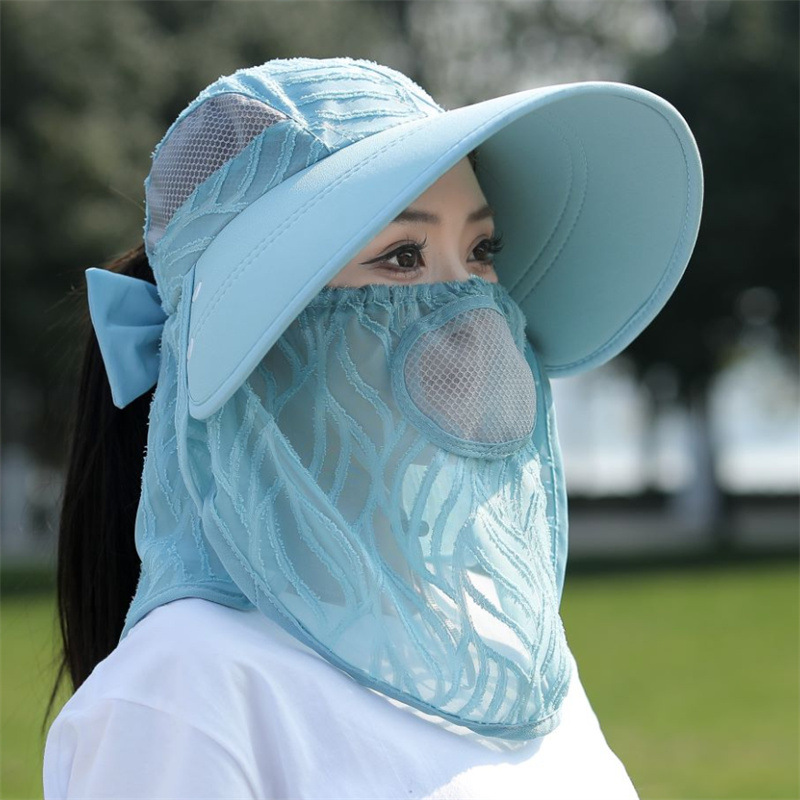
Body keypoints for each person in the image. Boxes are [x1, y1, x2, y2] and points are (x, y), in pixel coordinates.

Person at [42, 56, 703, 798]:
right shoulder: (184, 693)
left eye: (482, 251)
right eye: (401, 257)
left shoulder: (495, 640)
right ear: (266, 333)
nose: (473, 307)